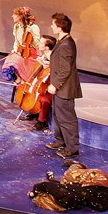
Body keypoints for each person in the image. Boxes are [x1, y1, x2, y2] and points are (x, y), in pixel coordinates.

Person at [45, 12, 82, 161]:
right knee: (57, 115)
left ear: (60, 26)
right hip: (60, 87)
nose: (52, 26)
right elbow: (59, 62)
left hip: (64, 88)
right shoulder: (62, 41)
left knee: (67, 118)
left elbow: (66, 69)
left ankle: (72, 148)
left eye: (54, 24)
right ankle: (60, 141)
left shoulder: (67, 44)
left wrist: (55, 84)